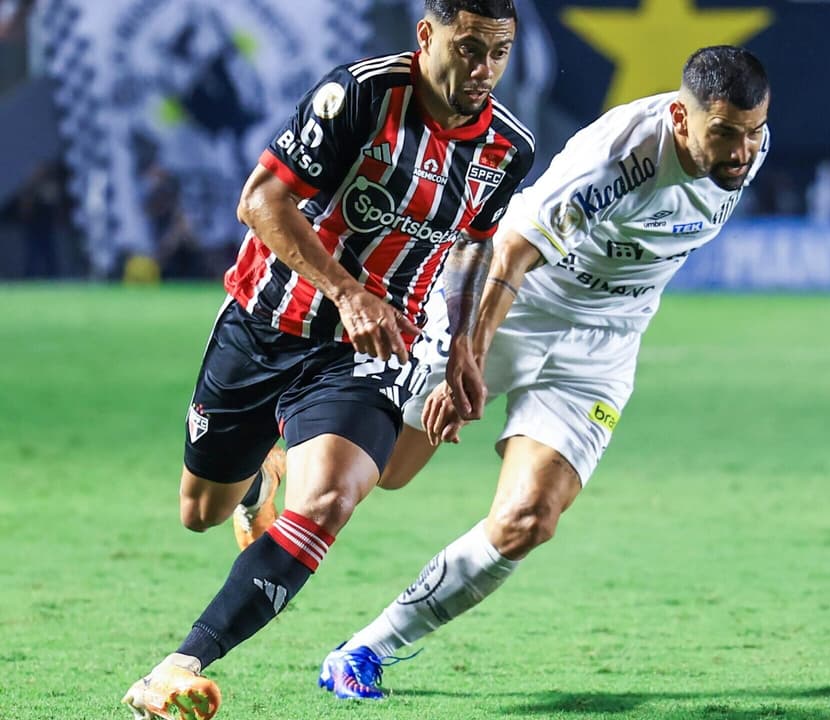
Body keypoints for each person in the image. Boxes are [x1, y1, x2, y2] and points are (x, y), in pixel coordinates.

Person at [307, 45, 770, 700]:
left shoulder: (749, 143)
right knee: (386, 470)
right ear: (680, 116)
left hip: (606, 342)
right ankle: (272, 467)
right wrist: (463, 359)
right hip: (518, 308)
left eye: (753, 133)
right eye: (724, 134)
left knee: (529, 519)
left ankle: (365, 651)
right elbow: (510, 254)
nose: (742, 153)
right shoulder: (618, 160)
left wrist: (742, 137)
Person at [121, 2, 534, 718]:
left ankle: (175, 667)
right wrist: (346, 292)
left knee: (330, 501)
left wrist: (466, 343)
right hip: (265, 324)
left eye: (498, 52)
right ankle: (254, 481)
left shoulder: (507, 145)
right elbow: (261, 200)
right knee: (200, 510)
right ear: (427, 36)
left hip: (369, 348)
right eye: (469, 50)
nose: (483, 70)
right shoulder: (360, 94)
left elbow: (474, 245)